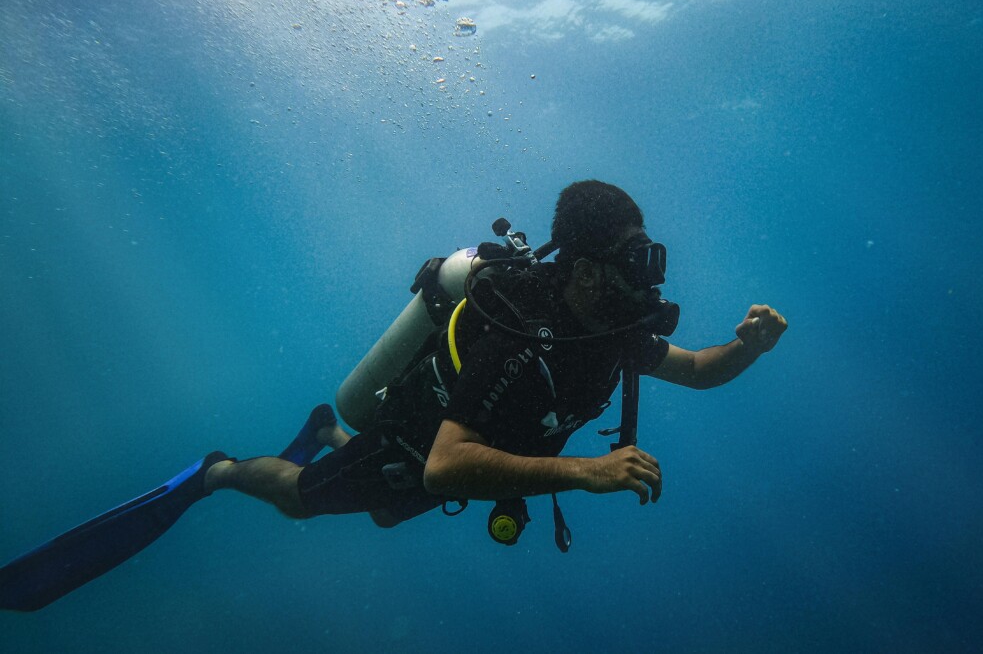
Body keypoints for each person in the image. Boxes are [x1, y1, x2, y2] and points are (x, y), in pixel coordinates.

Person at [0, 180, 785, 612]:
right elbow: (446, 468)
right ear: (580, 268)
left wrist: (744, 348)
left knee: (380, 513)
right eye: (634, 259)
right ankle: (219, 471)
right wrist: (585, 473)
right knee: (302, 500)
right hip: (414, 444)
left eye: (652, 257)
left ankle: (325, 431)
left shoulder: (608, 331)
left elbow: (698, 368)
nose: (650, 279)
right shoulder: (524, 333)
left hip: (454, 458)